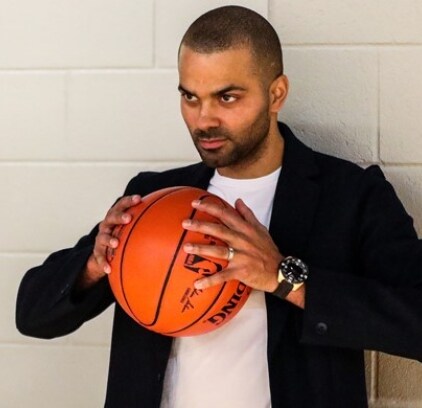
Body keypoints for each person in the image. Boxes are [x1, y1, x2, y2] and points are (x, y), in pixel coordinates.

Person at [16, 5, 422, 408]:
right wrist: (93, 264)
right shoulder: (154, 196)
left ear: (276, 93)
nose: (204, 119)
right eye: (190, 97)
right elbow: (32, 316)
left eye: (226, 97)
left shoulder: (350, 196)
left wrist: (284, 278)